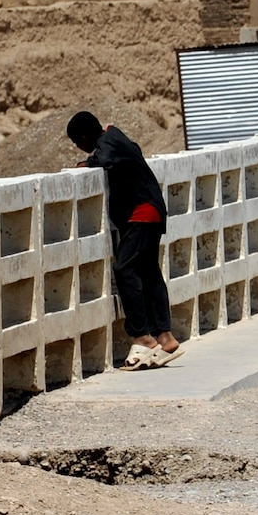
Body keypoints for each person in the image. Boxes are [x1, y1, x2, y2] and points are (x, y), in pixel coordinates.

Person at [67, 111, 180, 371]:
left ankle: (142, 336)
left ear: (84, 137)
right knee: (149, 271)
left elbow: (100, 160)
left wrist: (85, 164)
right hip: (151, 211)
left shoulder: (109, 143)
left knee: (124, 268)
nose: (79, 147)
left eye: (77, 143)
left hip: (141, 214)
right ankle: (165, 336)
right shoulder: (116, 136)